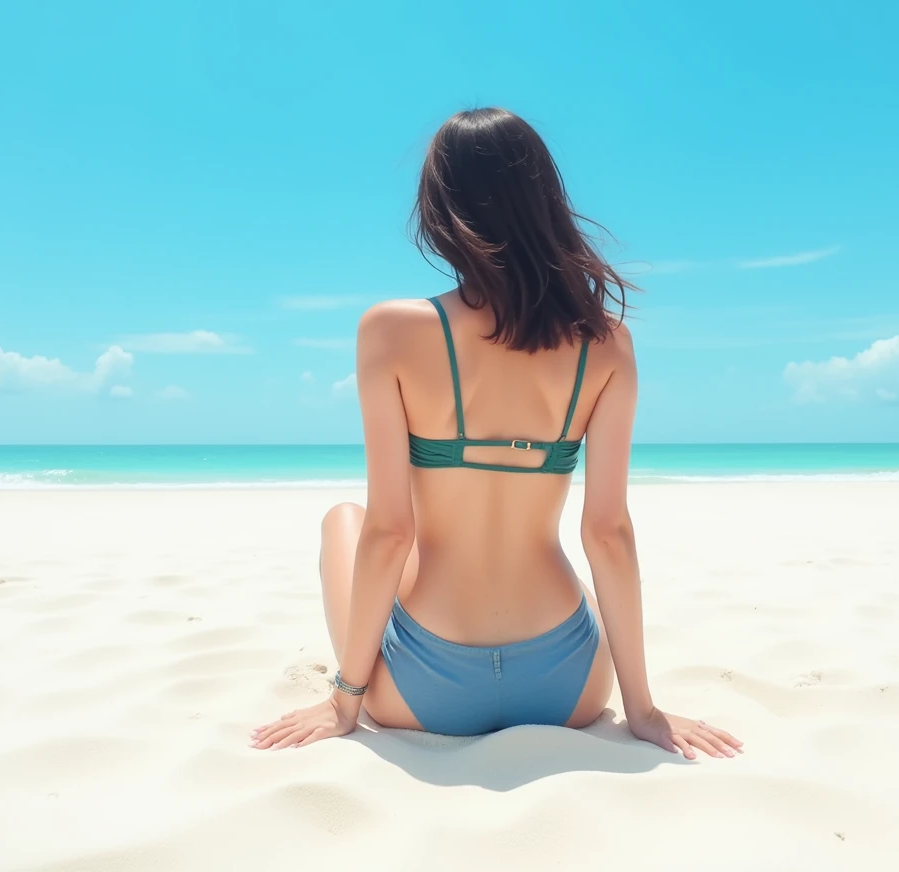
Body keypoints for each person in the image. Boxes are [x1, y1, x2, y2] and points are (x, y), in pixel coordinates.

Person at [251, 108, 741, 760]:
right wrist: (642, 709)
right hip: (570, 688)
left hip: (421, 690)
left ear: (439, 210)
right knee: (563, 565)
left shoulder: (390, 332)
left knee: (349, 517)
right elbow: (608, 533)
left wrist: (345, 700)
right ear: (546, 202)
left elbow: (389, 532)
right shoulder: (608, 345)